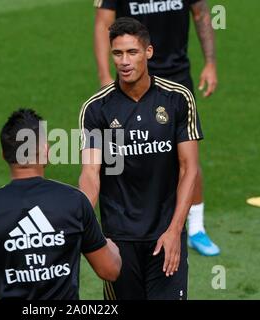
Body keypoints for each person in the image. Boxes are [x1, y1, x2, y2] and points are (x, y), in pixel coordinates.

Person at [79, 17, 201, 299]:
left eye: (132, 52)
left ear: (148, 52)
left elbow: (189, 169)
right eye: (117, 53)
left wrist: (175, 231)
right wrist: (81, 223)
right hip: (118, 239)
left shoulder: (177, 98)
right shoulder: (96, 108)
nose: (124, 61)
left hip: (166, 233)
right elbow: (90, 173)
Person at [0, 109, 121, 300]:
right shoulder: (74, 202)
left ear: (3, 154)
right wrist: (112, 248)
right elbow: (109, 271)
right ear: (46, 151)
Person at [93, 0, 220, 256]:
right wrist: (105, 75)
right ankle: (123, 224)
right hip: (130, 78)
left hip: (175, 77)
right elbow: (102, 24)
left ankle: (195, 228)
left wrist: (210, 62)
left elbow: (202, 14)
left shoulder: (179, 94)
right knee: (125, 152)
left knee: (186, 152)